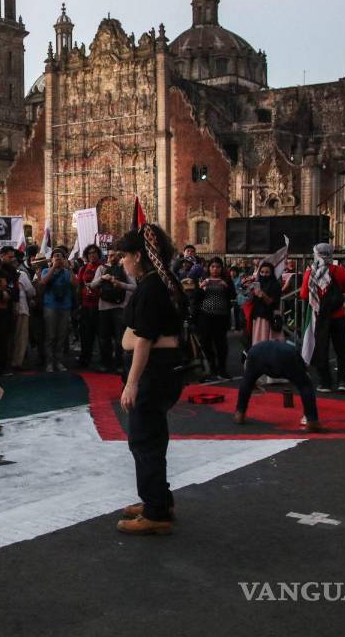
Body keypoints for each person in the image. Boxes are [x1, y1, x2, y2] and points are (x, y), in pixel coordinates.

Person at [115, 225, 185, 536]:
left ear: (138, 255)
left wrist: (132, 383)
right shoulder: (163, 280)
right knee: (152, 438)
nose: (122, 262)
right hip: (162, 372)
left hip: (153, 374)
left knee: (144, 441)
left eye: (125, 256)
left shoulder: (153, 286)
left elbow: (144, 339)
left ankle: (155, 510)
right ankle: (158, 499)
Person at [299, 244, 345, 394]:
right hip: (338, 315)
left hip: (320, 317)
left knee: (321, 349)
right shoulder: (339, 270)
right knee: (341, 350)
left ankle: (325, 382)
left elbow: (303, 295)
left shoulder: (310, 272)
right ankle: (343, 381)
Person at [233, 340, 321, 432]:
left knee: (247, 382)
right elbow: (303, 374)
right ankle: (312, 421)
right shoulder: (292, 352)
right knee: (305, 385)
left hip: (259, 356)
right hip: (285, 357)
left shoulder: (253, 352)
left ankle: (239, 413)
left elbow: (247, 380)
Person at [92, 249, 135, 374]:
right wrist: (102, 278)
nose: (111, 257)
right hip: (104, 308)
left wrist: (120, 284)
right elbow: (93, 285)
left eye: (114, 255)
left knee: (119, 338)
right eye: (109, 255)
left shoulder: (125, 268)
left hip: (120, 307)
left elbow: (134, 286)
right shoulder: (102, 268)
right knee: (104, 337)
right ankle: (105, 363)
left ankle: (119, 364)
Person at [195, 258, 234, 380]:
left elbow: (233, 295)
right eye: (212, 266)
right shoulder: (203, 279)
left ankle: (222, 369)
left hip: (221, 316)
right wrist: (201, 287)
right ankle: (211, 367)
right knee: (206, 343)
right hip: (206, 316)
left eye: (218, 267)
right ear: (209, 268)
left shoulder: (226, 280)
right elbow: (196, 297)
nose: (215, 269)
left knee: (221, 344)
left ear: (222, 268)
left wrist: (226, 286)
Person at [40, 247, 75, 372]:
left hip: (65, 307)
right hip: (50, 306)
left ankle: (59, 361)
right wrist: (53, 267)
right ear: (51, 259)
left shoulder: (67, 272)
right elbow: (43, 282)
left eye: (61, 257)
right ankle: (49, 362)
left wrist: (69, 268)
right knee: (50, 336)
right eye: (56, 256)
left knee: (61, 336)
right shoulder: (46, 270)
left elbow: (74, 284)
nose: (58, 259)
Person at [76, 245, 104, 369]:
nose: (92, 255)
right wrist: (78, 304)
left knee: (101, 335)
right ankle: (85, 358)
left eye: (94, 252)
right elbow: (79, 286)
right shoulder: (83, 268)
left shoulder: (103, 267)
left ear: (98, 254)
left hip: (100, 306)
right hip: (85, 306)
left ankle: (103, 361)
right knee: (85, 334)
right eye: (90, 253)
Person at [246, 262, 282, 345]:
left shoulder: (275, 285)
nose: (264, 274)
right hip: (257, 317)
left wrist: (263, 295)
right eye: (262, 272)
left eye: (267, 272)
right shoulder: (258, 283)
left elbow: (273, 303)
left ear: (271, 273)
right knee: (258, 341)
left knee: (267, 343)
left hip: (268, 318)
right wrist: (249, 290)